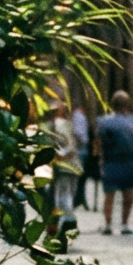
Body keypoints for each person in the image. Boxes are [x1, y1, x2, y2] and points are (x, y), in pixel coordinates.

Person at [95, 89, 133, 234]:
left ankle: (108, 224)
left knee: (110, 194)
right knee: (128, 195)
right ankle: (124, 224)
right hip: (127, 161)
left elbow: (98, 143)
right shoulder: (132, 123)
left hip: (111, 161)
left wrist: (100, 159)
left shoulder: (103, 122)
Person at [49, 98, 81, 237]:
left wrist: (59, 156)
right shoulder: (70, 124)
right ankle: (67, 221)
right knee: (68, 195)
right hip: (72, 164)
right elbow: (74, 144)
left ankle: (66, 222)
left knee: (61, 196)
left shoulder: (57, 125)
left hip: (62, 165)